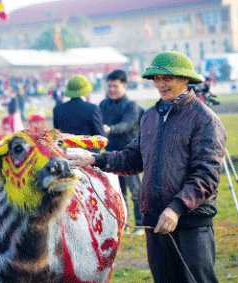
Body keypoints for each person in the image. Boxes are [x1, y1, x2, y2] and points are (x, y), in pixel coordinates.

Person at [67, 51, 226, 283]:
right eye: (156, 79)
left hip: (190, 221)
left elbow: (207, 175)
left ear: (185, 79)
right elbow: (133, 158)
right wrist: (94, 159)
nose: (160, 84)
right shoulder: (150, 116)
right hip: (153, 220)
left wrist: (176, 208)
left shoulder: (204, 119)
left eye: (166, 78)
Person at [100, 70, 144, 235]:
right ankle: (124, 223)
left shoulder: (131, 105)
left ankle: (139, 225)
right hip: (111, 153)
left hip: (129, 153)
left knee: (136, 191)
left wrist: (109, 129)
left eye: (115, 86)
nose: (112, 89)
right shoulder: (104, 104)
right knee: (118, 191)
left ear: (124, 86)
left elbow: (128, 124)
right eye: (109, 86)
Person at [53, 75, 105, 152]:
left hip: (66, 156)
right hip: (88, 157)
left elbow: (57, 135)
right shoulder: (93, 109)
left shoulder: (57, 109)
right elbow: (101, 137)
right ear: (86, 91)